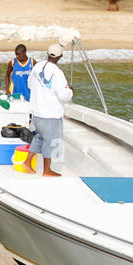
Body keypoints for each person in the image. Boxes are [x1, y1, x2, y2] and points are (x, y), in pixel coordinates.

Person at [27, 42, 74, 177]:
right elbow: (64, 95)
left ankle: (27, 162)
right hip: (49, 114)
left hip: (36, 112)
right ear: (60, 56)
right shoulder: (57, 73)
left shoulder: (37, 66)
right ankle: (47, 171)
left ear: (47, 54)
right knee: (50, 141)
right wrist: (70, 91)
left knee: (39, 137)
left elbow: (30, 84)